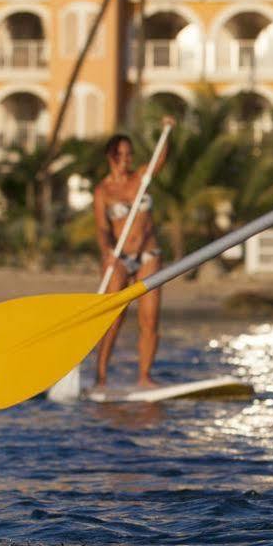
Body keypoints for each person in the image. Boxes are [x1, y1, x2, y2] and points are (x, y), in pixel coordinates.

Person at [92, 129, 170, 390]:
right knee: (114, 318)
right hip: (119, 258)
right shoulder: (103, 191)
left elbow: (160, 158)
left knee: (149, 320)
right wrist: (108, 252)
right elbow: (102, 228)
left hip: (148, 254)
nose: (125, 159)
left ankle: (144, 377)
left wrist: (165, 131)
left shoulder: (141, 179)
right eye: (119, 154)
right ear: (110, 157)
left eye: (129, 154)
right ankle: (101, 377)